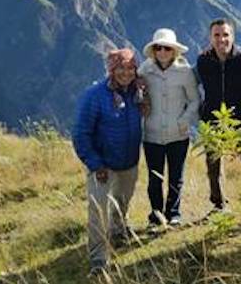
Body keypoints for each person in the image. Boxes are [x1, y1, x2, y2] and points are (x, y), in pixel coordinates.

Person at [72, 48, 148, 277]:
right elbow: (81, 133)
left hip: (129, 161)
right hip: (103, 164)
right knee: (98, 211)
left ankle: (117, 231)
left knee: (122, 203)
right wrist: (95, 164)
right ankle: (98, 259)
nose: (126, 72)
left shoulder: (137, 92)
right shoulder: (95, 95)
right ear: (111, 70)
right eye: (121, 68)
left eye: (131, 68)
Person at [196, 18, 241, 214]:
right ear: (210, 38)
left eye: (225, 34)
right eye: (216, 35)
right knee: (212, 165)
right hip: (213, 119)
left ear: (232, 36)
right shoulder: (204, 61)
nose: (221, 39)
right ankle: (218, 205)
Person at [139, 28, 200, 228]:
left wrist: (183, 121)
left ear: (174, 50)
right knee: (154, 178)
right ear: (154, 50)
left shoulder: (185, 72)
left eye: (167, 48)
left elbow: (194, 100)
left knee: (176, 177)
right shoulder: (145, 70)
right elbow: (136, 91)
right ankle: (156, 215)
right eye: (159, 48)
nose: (163, 52)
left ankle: (173, 213)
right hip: (152, 134)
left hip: (178, 134)